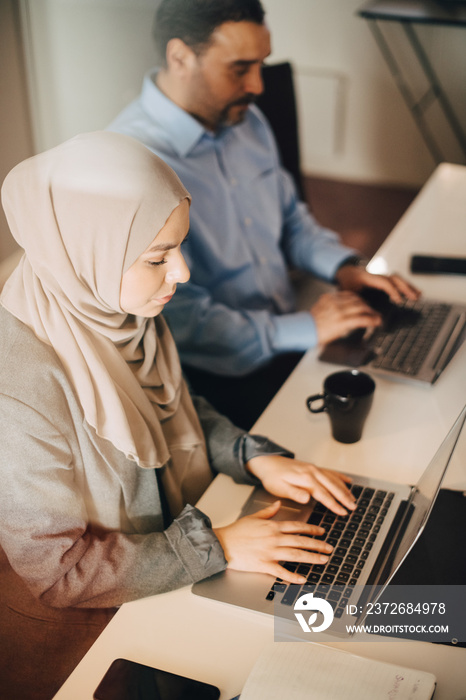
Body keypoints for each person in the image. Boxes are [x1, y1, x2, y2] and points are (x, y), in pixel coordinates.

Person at [0, 131, 356, 699]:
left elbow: (176, 411)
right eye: (158, 257)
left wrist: (251, 457)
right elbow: (58, 572)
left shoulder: (111, 302)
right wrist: (219, 547)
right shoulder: (17, 393)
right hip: (107, 615)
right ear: (88, 252)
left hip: (183, 536)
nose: (183, 273)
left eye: (179, 246)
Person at [108, 0, 420, 429]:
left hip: (291, 330)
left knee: (407, 382)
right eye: (240, 68)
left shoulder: (248, 122)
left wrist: (345, 267)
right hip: (218, 376)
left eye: (261, 65)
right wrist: (303, 328)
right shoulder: (132, 162)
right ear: (180, 57)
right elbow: (179, 316)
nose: (258, 85)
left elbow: (291, 219)